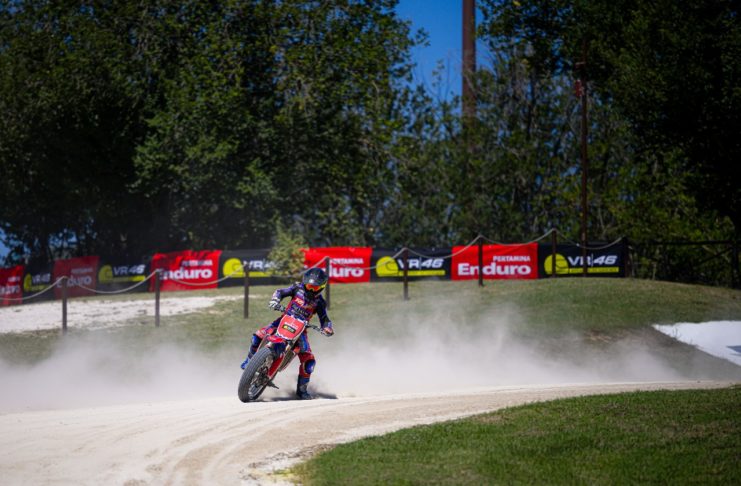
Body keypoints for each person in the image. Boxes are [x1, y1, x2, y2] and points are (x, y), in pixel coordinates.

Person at [240, 267, 334, 399]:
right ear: (304, 282)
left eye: (315, 288)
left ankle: (302, 391)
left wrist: (327, 328)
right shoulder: (297, 288)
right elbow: (280, 292)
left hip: (301, 330)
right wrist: (275, 300)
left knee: (309, 361)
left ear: (322, 287)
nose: (311, 290)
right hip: (282, 320)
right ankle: (249, 361)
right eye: (309, 286)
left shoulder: (320, 302)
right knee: (258, 335)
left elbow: (325, 320)